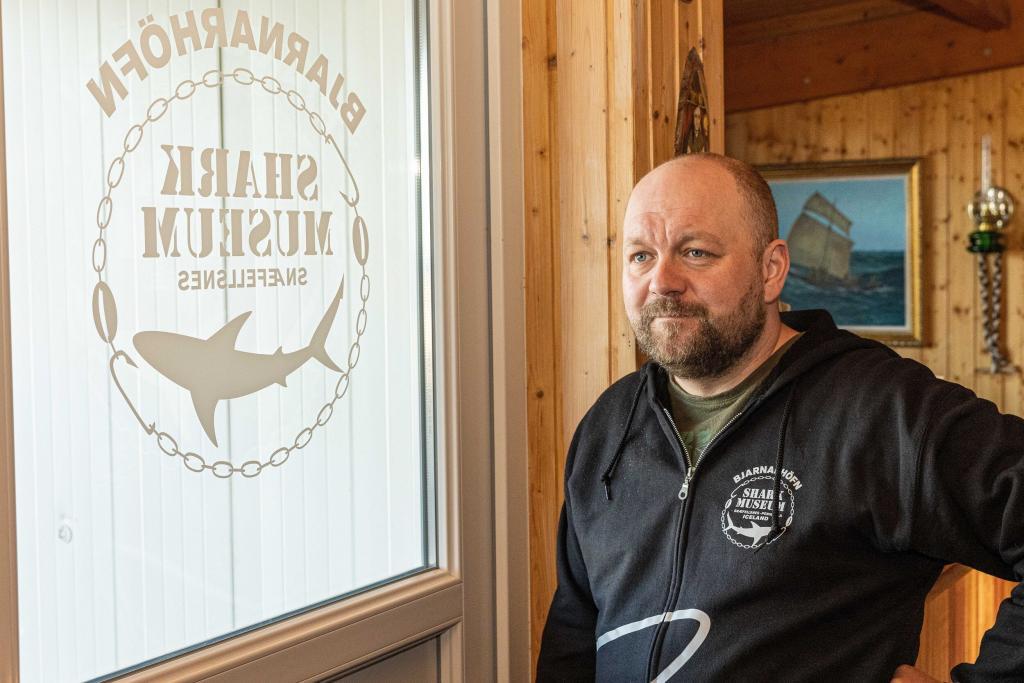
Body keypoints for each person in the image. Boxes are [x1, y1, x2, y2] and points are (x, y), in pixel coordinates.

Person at [535, 153, 1024, 682]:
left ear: (771, 270)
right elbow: (573, 632)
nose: (662, 281)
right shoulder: (608, 426)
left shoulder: (881, 410)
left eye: (695, 252)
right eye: (640, 256)